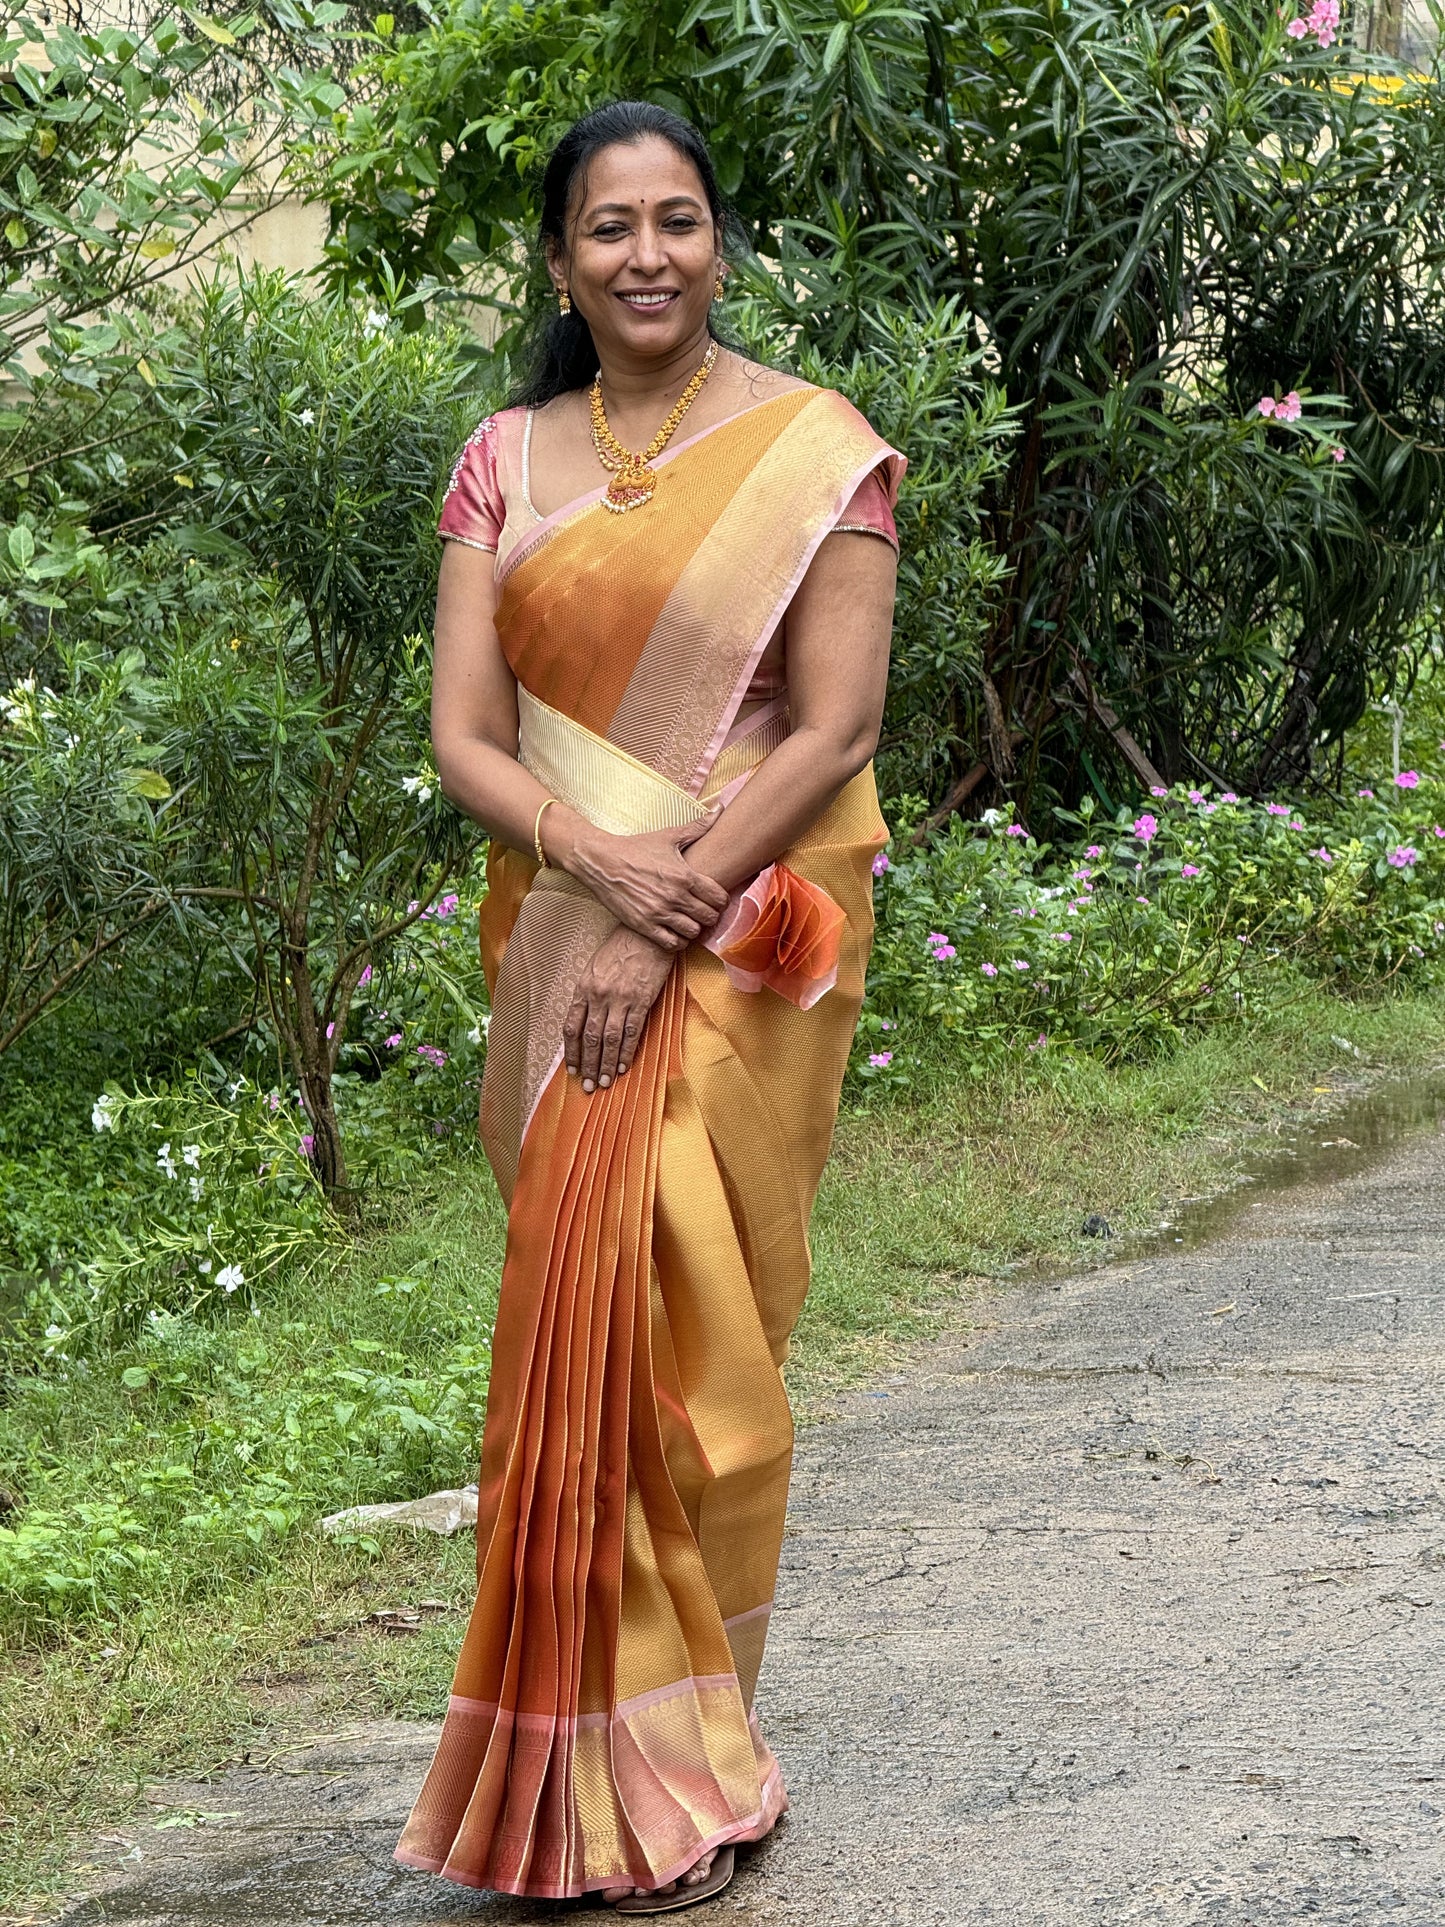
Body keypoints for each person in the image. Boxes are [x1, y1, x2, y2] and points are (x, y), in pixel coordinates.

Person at [394, 99, 903, 1914]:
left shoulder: (813, 454)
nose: (645, 257)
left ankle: (693, 1764)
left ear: (716, 238)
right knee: (578, 1359)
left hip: (744, 940)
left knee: (698, 1374)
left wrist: (661, 913)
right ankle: (590, 1781)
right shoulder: (499, 461)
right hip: (558, 933)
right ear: (558, 260)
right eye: (606, 228)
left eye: (676, 220)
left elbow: (831, 732)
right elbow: (464, 739)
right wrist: (601, 884)